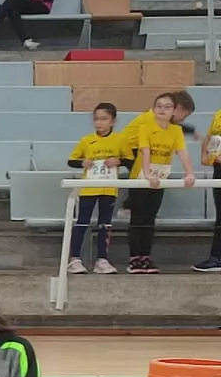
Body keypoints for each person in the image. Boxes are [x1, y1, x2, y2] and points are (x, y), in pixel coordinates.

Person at [119, 89, 197, 275]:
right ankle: (135, 257)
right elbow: (144, 150)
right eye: (183, 116)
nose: (182, 120)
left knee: (149, 215)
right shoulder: (148, 122)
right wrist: (145, 172)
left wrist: (190, 173)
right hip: (130, 154)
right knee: (139, 214)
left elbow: (179, 144)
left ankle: (145, 256)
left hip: (156, 167)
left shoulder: (172, 128)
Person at [66, 101, 128, 275]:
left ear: (113, 121)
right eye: (96, 119)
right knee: (82, 223)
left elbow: (130, 159)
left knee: (105, 224)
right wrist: (82, 163)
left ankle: (102, 259)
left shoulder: (120, 139)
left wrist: (119, 161)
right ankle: (75, 259)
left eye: (103, 119)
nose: (99, 123)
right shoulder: (87, 141)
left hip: (108, 189)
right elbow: (71, 160)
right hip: (88, 188)